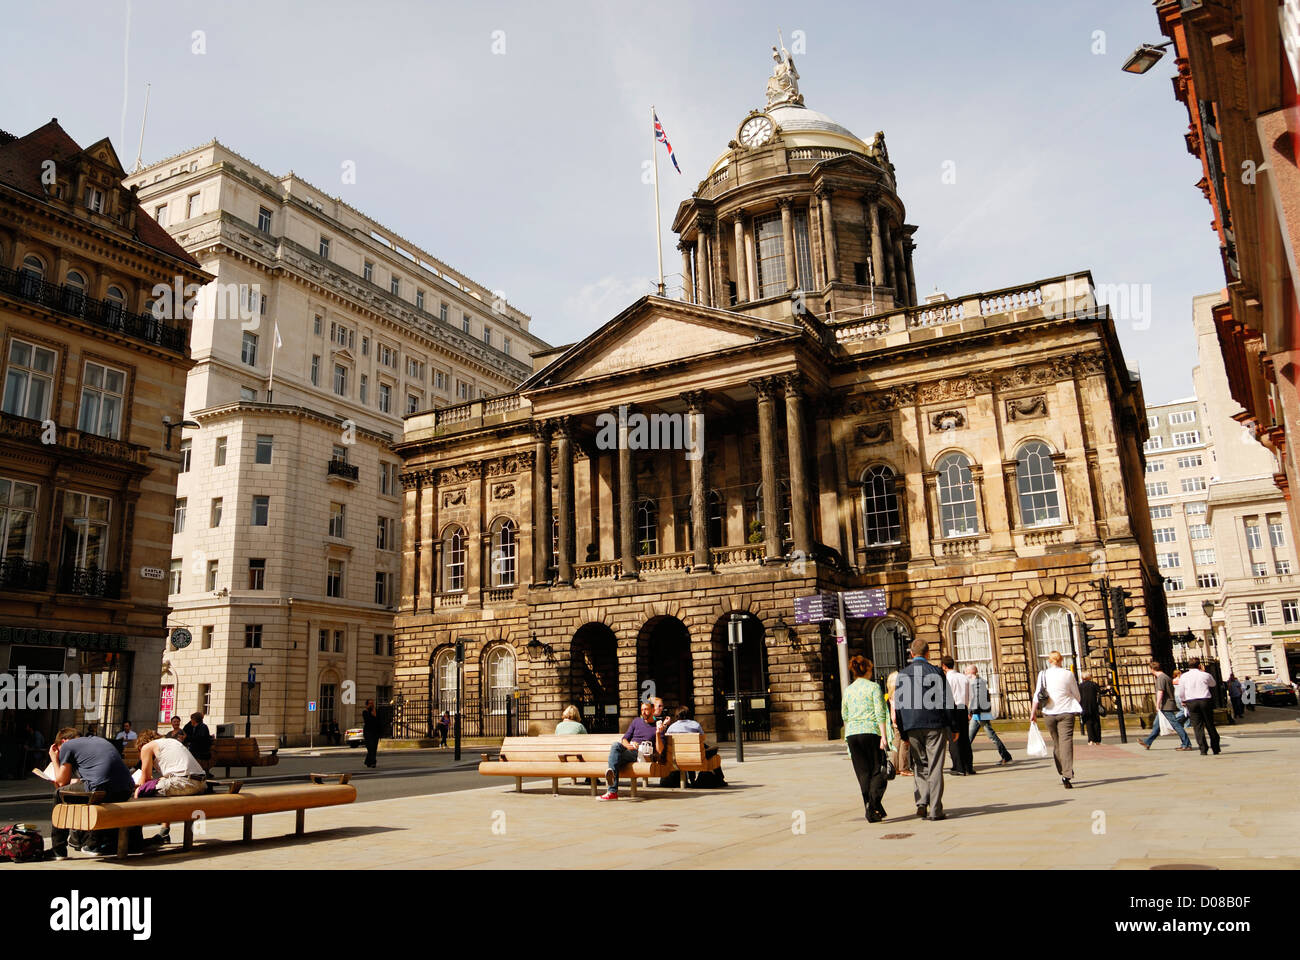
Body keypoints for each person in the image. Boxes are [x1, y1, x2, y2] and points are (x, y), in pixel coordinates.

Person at [47, 727, 140, 859]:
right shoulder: (98, 741)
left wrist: (54, 758)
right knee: (90, 794)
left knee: (58, 794)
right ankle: (93, 844)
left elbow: (62, 782)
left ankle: (58, 850)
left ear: (63, 741)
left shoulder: (67, 745)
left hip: (100, 787)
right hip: (126, 789)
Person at [893, 638, 956, 821]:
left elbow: (899, 706)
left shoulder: (902, 675)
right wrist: (953, 726)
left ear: (912, 654)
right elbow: (947, 701)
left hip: (911, 725)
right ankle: (935, 810)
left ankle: (921, 802)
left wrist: (903, 731)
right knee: (935, 766)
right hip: (934, 724)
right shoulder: (936, 672)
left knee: (919, 765)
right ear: (928, 653)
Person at [133, 728, 206, 845]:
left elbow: (144, 780)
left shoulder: (147, 747)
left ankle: (135, 838)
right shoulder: (172, 742)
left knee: (140, 792)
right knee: (161, 786)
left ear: (142, 744)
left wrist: (138, 784)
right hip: (200, 783)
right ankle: (164, 832)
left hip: (184, 782)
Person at [842, 655, 892, 822]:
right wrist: (884, 736)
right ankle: (873, 804)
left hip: (852, 734)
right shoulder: (874, 687)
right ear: (868, 670)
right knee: (878, 770)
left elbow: (845, 714)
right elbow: (880, 712)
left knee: (863, 773)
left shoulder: (848, 690)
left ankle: (872, 809)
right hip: (870, 731)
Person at [1028, 651, 1083, 789]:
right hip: (1066, 712)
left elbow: (1037, 695)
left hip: (1049, 713)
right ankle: (1066, 773)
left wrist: (1033, 713)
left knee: (1057, 743)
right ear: (1061, 660)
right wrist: (1073, 701)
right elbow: (1077, 695)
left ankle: (1063, 770)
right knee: (1066, 743)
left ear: (1049, 661)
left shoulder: (1043, 674)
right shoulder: (1068, 674)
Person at [599, 700, 664, 801]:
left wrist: (657, 733)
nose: (643, 712)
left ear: (652, 709)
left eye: (646, 709)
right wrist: (629, 745)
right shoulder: (636, 721)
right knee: (616, 745)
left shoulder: (658, 726)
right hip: (630, 750)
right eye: (642, 709)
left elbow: (659, 750)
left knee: (614, 759)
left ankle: (612, 790)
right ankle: (611, 774)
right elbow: (624, 739)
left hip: (642, 754)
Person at [1141, 660, 1193, 751]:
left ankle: (1186, 744)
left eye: (1150, 669)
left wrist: (1157, 705)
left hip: (1166, 705)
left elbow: (1160, 692)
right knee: (1156, 725)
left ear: (1152, 669)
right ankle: (1147, 742)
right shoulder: (1165, 677)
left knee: (1176, 725)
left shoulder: (1161, 678)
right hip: (1166, 705)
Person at [965, 665, 1012, 764]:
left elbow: (976, 700)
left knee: (992, 736)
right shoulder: (977, 682)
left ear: (971, 673)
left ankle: (1006, 756)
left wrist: (970, 711)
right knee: (968, 738)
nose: (965, 674)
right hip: (978, 714)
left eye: (966, 672)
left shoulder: (977, 683)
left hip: (980, 713)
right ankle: (963, 758)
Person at [940, 656, 975, 774]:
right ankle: (969, 766)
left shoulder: (946, 679)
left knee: (954, 738)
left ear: (944, 666)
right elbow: (971, 696)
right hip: (963, 708)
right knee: (965, 738)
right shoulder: (963, 677)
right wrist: (969, 710)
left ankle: (958, 767)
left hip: (952, 708)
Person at [1180, 658, 1221, 755]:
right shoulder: (1205, 675)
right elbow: (1213, 684)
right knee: (1210, 724)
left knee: (1197, 727)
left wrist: (1183, 700)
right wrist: (1203, 672)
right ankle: (1215, 747)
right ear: (1199, 665)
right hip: (1205, 700)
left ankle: (1203, 749)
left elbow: (1181, 691)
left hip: (1191, 701)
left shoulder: (1184, 676)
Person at [885, 671, 912, 776]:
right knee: (904, 743)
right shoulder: (899, 692)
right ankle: (904, 767)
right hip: (900, 720)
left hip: (894, 720)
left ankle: (895, 766)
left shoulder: (891, 693)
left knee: (896, 743)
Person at [1078, 672, 1103, 745]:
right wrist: (1107, 689)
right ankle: (1097, 740)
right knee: (1096, 723)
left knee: (1088, 723)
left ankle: (1091, 740)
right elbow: (1100, 692)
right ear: (1090, 677)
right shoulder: (1094, 684)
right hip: (1094, 706)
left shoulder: (1080, 686)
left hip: (1084, 707)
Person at [362, 700, 381, 768]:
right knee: (370, 747)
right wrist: (373, 715)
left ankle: (368, 761)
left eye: (372, 703)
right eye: (370, 703)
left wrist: (375, 715)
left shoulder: (376, 712)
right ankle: (373, 762)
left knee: (374, 748)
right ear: (367, 705)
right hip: (368, 732)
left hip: (375, 732)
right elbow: (368, 721)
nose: (372, 705)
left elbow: (379, 721)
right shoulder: (365, 712)